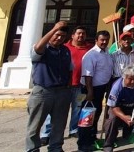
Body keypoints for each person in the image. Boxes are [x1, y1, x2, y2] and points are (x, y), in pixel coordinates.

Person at [25, 21, 72, 152]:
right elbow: (38, 48)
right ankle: (32, 149)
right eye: (57, 35)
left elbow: (69, 69)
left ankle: (56, 148)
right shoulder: (43, 48)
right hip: (43, 91)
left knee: (59, 124)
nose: (59, 38)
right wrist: (54, 29)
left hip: (62, 91)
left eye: (62, 36)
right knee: (35, 125)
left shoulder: (65, 50)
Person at [78, 30, 114, 152]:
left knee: (96, 114)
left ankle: (92, 138)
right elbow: (87, 75)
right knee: (87, 116)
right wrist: (90, 91)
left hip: (101, 88)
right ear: (96, 40)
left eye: (106, 40)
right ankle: (83, 143)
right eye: (102, 40)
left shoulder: (107, 52)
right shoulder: (91, 55)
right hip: (90, 89)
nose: (104, 42)